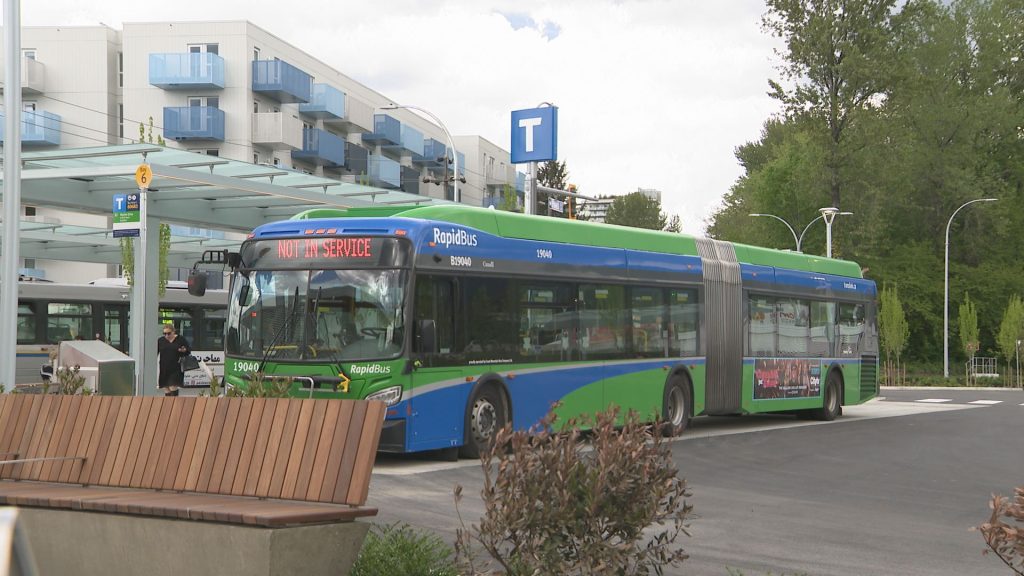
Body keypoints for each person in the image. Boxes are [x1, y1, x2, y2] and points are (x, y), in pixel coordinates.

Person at [157, 323, 191, 396]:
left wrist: (184, 350)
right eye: (164, 333)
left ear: (173, 332)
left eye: (169, 333)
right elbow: (155, 352)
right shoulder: (160, 340)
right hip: (164, 367)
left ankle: (175, 404)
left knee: (173, 386)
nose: (167, 336)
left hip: (176, 367)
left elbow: (188, 350)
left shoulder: (180, 339)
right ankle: (168, 405)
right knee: (166, 388)